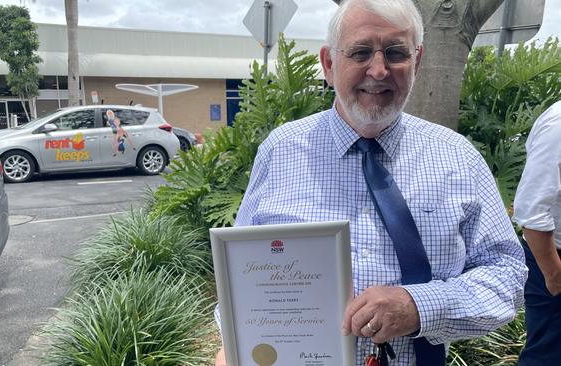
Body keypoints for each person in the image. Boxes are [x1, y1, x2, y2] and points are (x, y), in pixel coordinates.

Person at [215, 0, 526, 365]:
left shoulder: (458, 158)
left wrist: (419, 306)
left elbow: (507, 274)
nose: (378, 70)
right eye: (361, 52)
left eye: (395, 53)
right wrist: (233, 343)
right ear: (329, 65)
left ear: (417, 61)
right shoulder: (281, 151)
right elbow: (240, 272)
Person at [513, 101, 561, 366]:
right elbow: (531, 211)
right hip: (552, 256)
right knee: (549, 356)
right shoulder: (559, 124)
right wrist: (554, 276)